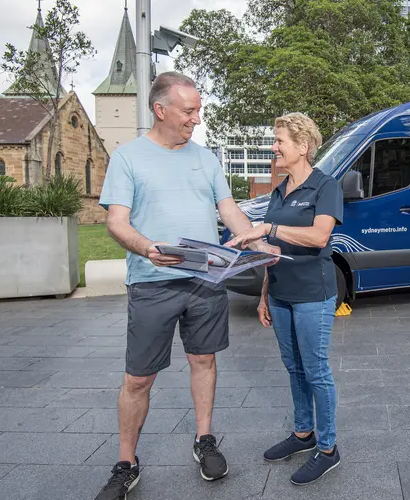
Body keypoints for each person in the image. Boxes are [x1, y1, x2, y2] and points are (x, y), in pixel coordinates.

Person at [94, 71, 278, 500]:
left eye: (198, 110)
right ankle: (126, 463)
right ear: (160, 110)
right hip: (152, 284)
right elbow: (116, 222)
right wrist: (146, 248)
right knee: (138, 379)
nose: (196, 119)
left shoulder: (205, 158)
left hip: (206, 280)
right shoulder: (128, 158)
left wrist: (256, 240)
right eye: (189, 111)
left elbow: (229, 211)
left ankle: (204, 440)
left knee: (204, 362)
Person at [227, 112, 343, 486]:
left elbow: (319, 237)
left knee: (316, 370)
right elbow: (272, 250)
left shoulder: (326, 187)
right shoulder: (279, 191)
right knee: (294, 369)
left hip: (313, 294)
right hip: (280, 295)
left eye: (279, 142)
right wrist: (263, 294)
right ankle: (303, 433)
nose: (273, 147)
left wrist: (269, 227)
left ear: (303, 147)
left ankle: (327, 449)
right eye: (274, 141)